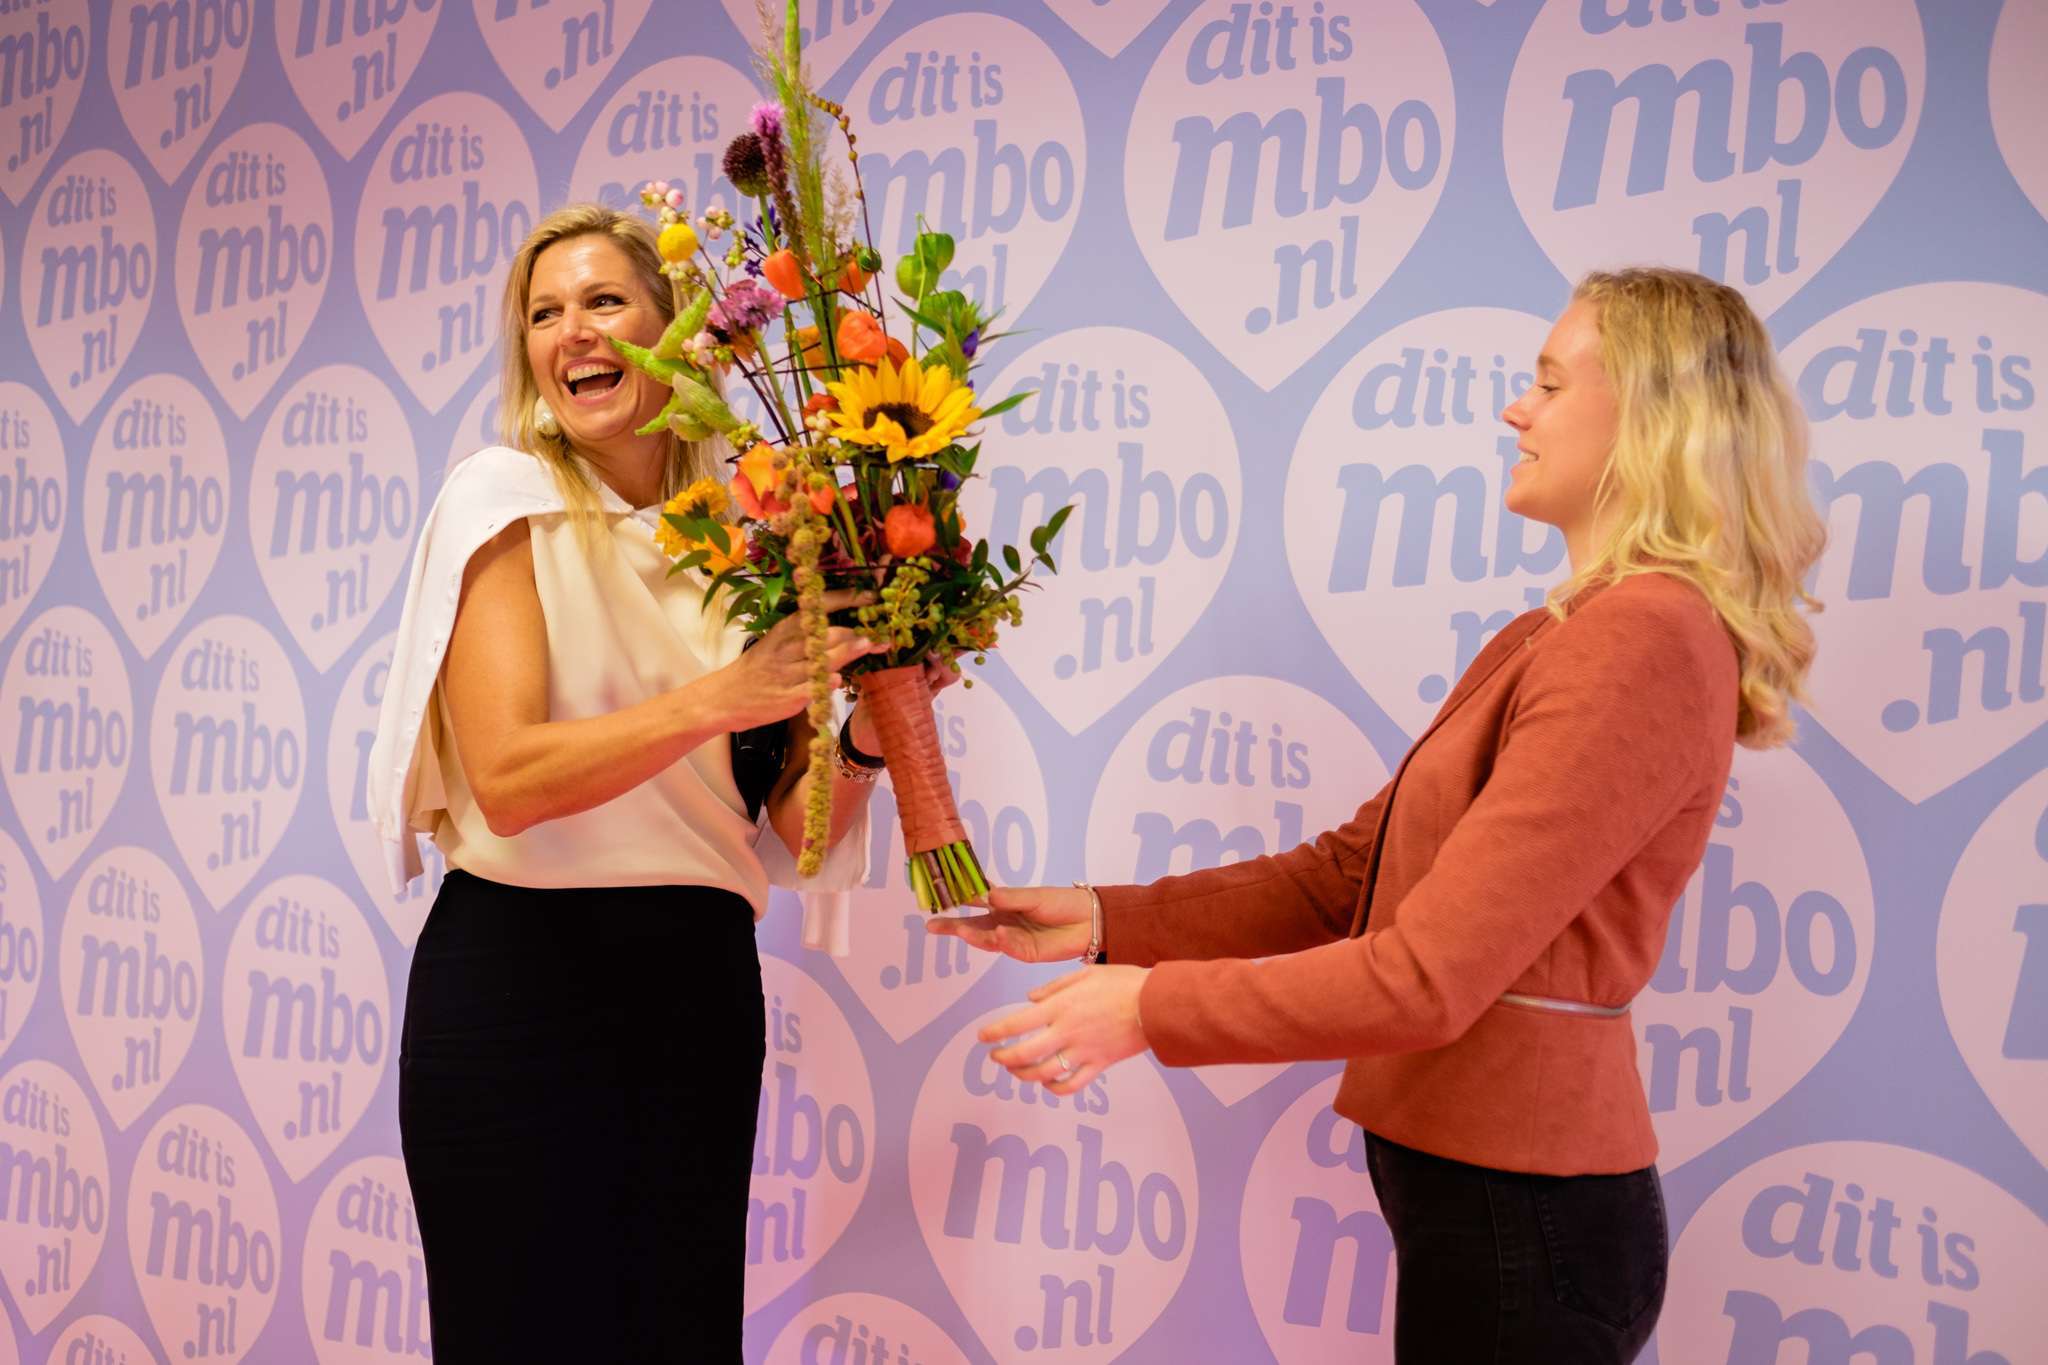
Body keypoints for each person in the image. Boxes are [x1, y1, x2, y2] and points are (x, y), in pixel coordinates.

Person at [931, 267, 1827, 1363]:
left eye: (1548, 384)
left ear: (1648, 417)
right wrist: (1101, 917)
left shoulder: (1635, 640)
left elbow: (1425, 977)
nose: (1516, 410)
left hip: (1524, 1222)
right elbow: (1346, 873)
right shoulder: (1559, 632)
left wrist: (1150, 1008)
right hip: (1495, 1209)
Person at [367, 203, 940, 1360]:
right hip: (519, 983)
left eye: (604, 302)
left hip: (694, 983)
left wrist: (878, 727)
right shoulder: (504, 498)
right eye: (544, 312)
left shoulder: (756, 532)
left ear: (674, 331)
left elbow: (788, 831)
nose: (573, 332)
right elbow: (513, 779)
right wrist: (726, 697)